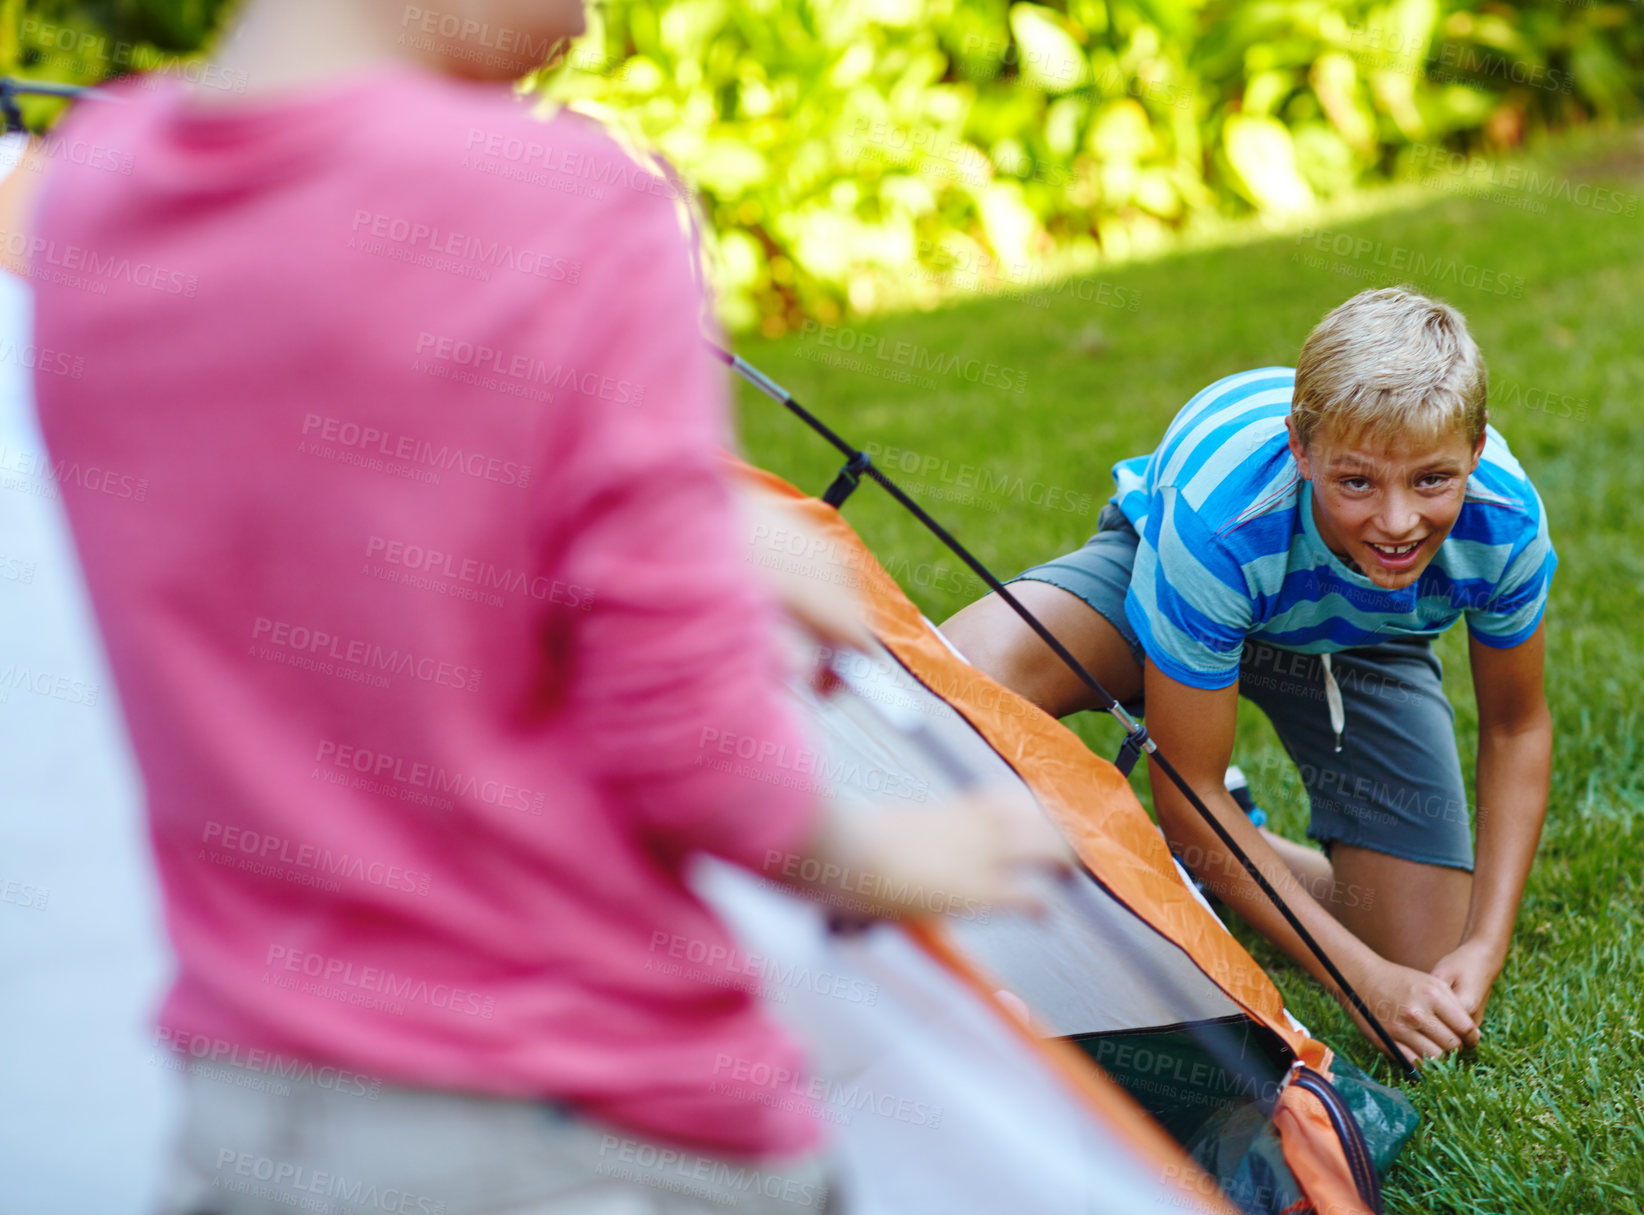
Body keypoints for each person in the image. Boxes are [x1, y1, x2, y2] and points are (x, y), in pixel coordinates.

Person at [27, 1, 1069, 1211]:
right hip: (590, 1131)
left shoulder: (94, 190)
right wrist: (891, 855)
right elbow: (698, 757)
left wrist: (683, 516)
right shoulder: (565, 204)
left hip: (256, 1107)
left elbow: (320, 477)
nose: (588, 12)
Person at [942, 287, 1555, 1067]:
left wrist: (1484, 944)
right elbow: (1183, 780)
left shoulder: (1505, 520)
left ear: (1475, 448)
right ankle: (1148, 850)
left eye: (1432, 480)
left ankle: (1239, 844)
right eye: (1357, 481)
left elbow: (1516, 725)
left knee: (1422, 950)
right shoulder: (1220, 515)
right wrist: (1354, 979)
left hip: (1364, 638)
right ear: (1301, 448)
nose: (1399, 522)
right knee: (948, 680)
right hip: (1196, 582)